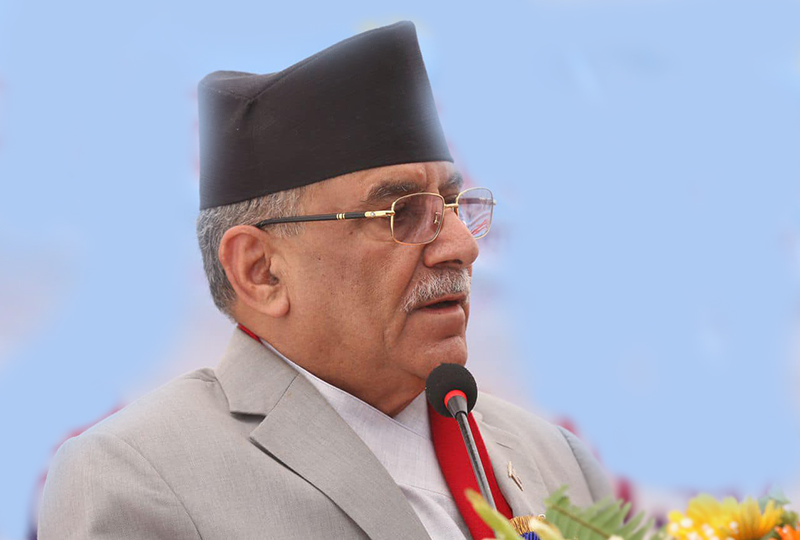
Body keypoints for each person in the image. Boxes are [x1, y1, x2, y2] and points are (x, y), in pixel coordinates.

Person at [38, 21, 612, 539]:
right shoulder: (139, 475)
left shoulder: (554, 458)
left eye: (454, 204)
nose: (461, 246)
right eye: (403, 213)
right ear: (261, 270)